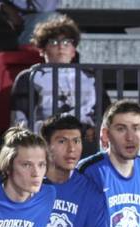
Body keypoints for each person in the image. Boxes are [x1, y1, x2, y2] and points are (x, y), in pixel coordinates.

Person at [11, 15, 108, 146]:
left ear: (74, 51)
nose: (61, 47)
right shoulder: (28, 77)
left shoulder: (90, 77)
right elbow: (19, 122)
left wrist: (97, 130)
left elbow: (106, 113)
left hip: (87, 139)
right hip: (45, 140)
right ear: (42, 50)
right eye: (54, 42)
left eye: (67, 42)